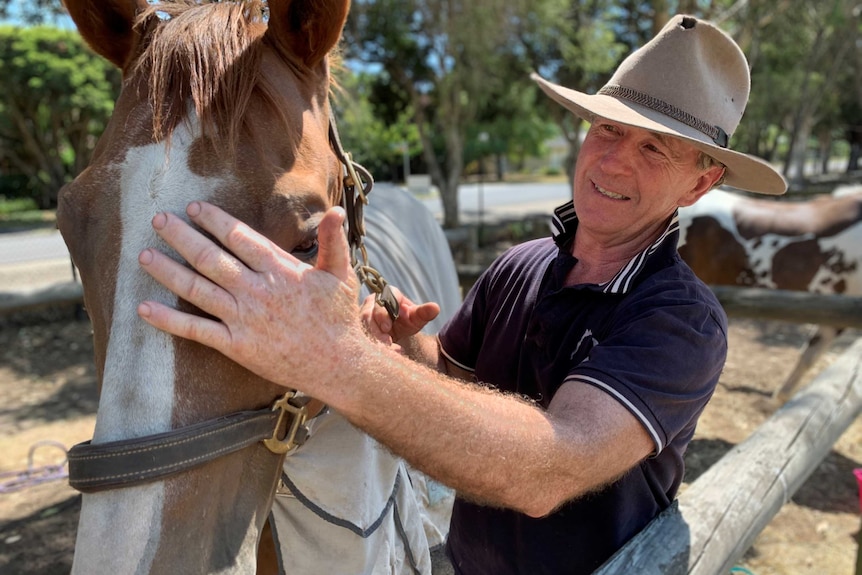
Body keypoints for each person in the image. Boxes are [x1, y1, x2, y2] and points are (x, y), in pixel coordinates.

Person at [135, 14, 786, 574]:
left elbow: (547, 469)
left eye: (654, 148)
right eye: (608, 129)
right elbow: (452, 377)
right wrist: (395, 347)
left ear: (699, 185)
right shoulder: (522, 265)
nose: (614, 160)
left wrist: (333, 358)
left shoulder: (681, 319)